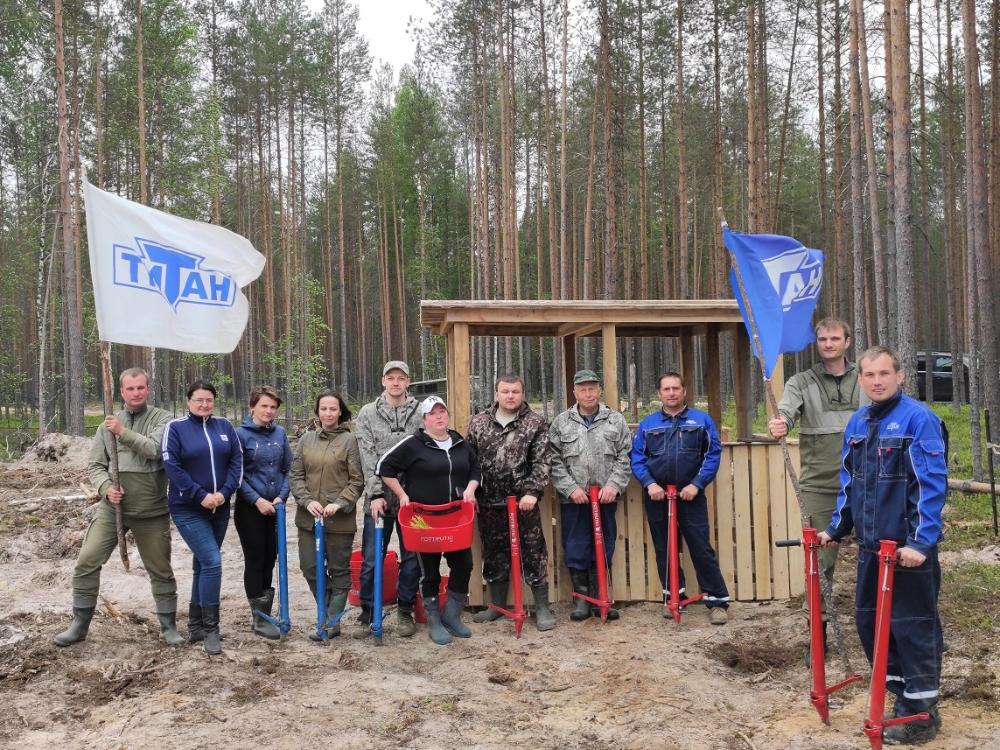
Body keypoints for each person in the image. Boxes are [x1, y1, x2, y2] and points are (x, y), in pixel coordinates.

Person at [818, 346, 947, 745]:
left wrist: (921, 544)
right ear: (861, 378)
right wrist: (835, 529)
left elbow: (930, 486)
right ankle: (899, 698)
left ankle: (922, 714)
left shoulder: (918, 420)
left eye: (885, 373)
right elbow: (848, 484)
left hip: (907, 553)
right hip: (874, 551)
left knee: (912, 628)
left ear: (901, 375)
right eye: (870, 375)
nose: (877, 381)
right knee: (871, 624)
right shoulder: (858, 423)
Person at [55, 367, 182, 647]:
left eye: (140, 388)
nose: (136, 393)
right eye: (130, 389)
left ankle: (168, 626)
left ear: (148, 389)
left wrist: (122, 432)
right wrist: (105, 488)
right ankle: (79, 624)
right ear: (121, 392)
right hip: (112, 509)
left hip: (151, 511)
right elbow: (96, 465)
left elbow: (154, 450)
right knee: (87, 562)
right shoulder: (106, 426)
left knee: (160, 569)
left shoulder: (163, 419)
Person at [768, 317, 860, 627]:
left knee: (882, 555)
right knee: (820, 560)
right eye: (823, 340)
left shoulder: (866, 377)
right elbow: (786, 413)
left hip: (868, 482)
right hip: (820, 485)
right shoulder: (801, 382)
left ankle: (886, 624)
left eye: (835, 338)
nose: (829, 344)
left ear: (847, 342)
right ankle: (818, 630)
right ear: (816, 344)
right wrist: (780, 423)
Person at [376, 395, 481, 646]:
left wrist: (471, 488)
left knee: (464, 563)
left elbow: (475, 468)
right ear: (424, 419)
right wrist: (402, 495)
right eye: (433, 413)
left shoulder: (459, 442)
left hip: (456, 516)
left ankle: (452, 615)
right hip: (424, 519)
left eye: (442, 411)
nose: (439, 417)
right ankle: (433, 618)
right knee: (430, 570)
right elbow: (384, 467)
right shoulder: (413, 444)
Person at [631, 372, 730, 624]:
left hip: (690, 496)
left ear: (684, 391)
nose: (672, 393)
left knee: (700, 547)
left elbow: (712, 455)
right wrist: (649, 484)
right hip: (658, 496)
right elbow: (638, 458)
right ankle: (672, 596)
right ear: (659, 394)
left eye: (676, 388)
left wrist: (696, 484)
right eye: (667, 389)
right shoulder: (648, 424)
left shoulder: (700, 421)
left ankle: (717, 601)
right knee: (664, 548)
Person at [466, 374, 554, 631]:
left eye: (515, 391)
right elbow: (469, 460)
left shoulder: (535, 422)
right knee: (493, 553)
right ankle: (496, 606)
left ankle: (541, 608)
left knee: (533, 551)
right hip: (489, 501)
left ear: (522, 393)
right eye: (505, 391)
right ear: (496, 394)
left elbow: (543, 460)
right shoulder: (479, 422)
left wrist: (532, 491)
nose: (510, 396)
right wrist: (471, 490)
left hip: (523, 503)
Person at [162, 380, 244, 655]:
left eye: (208, 400)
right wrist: (200, 495)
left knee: (202, 565)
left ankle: (196, 624)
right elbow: (171, 465)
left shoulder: (225, 427)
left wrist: (224, 493)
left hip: (219, 507)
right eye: (198, 400)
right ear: (188, 401)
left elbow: (236, 462)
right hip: (188, 507)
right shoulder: (176, 428)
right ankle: (211, 629)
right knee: (212, 561)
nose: (204, 404)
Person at [548, 370, 632, 621]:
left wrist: (614, 485)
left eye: (592, 388)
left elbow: (625, 456)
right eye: (583, 389)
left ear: (599, 390)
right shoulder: (562, 422)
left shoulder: (615, 420)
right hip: (574, 499)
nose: (588, 393)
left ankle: (601, 597)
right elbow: (553, 460)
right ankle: (582, 601)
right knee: (575, 546)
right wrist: (570, 488)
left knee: (604, 544)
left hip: (605, 497)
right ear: (574, 392)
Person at [352, 361, 422, 640]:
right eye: (391, 378)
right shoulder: (368, 414)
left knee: (412, 557)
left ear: (408, 382)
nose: (395, 383)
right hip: (379, 498)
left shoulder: (420, 413)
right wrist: (375, 494)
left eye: (401, 378)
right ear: (383, 381)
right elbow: (367, 456)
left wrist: (419, 493)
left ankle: (405, 609)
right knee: (372, 558)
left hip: (411, 498)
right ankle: (368, 611)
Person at [290, 390, 363, 640]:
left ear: (340, 411)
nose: (328, 413)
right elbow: (296, 476)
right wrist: (306, 500)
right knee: (309, 567)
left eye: (333, 409)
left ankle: (331, 621)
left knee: (339, 570)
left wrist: (341, 503)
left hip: (339, 520)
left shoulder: (349, 441)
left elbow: (356, 481)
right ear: (317, 412)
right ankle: (331, 608)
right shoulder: (305, 440)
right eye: (324, 409)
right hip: (308, 518)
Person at [235, 385, 292, 640]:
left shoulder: (280, 434)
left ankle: (266, 612)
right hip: (251, 509)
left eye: (272, 407)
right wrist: (256, 500)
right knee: (256, 559)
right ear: (252, 407)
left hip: (275, 507)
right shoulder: (240, 435)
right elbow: (236, 474)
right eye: (264, 406)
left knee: (271, 558)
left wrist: (281, 496)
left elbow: (289, 468)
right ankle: (259, 618)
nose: (268, 411)